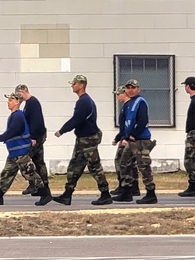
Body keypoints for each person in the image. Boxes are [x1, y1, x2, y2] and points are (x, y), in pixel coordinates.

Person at [51, 74, 111, 206]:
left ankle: (105, 194)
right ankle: (67, 194)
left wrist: (62, 130)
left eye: (74, 83)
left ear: (81, 85)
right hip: (82, 139)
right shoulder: (84, 101)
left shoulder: (84, 101)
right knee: (75, 166)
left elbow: (76, 119)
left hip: (88, 139)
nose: (72, 86)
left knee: (94, 167)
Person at [0, 92, 53, 206]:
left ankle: (45, 194)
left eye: (11, 100)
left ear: (18, 102)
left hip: (20, 152)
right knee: (7, 174)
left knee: (30, 174)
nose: (8, 102)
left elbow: (13, 131)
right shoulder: (15, 115)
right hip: (14, 152)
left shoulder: (17, 116)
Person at [120, 79, 159, 204]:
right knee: (124, 163)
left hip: (141, 140)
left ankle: (151, 193)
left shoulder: (140, 102)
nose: (130, 90)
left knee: (143, 166)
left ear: (138, 89)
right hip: (131, 140)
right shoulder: (129, 103)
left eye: (133, 87)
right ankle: (126, 191)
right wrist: (125, 137)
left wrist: (133, 135)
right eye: (128, 88)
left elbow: (142, 120)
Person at [16, 84, 50, 197]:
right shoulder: (29, 103)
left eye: (19, 94)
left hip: (36, 137)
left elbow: (36, 122)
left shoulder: (32, 103)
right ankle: (42, 187)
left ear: (24, 91)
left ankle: (34, 184)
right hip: (38, 135)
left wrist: (33, 137)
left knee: (25, 160)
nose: (19, 97)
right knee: (38, 161)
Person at [110, 87, 139, 202]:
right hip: (124, 136)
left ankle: (125, 186)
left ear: (124, 94)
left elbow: (129, 124)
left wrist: (124, 138)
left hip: (127, 138)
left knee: (121, 161)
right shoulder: (126, 106)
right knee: (130, 163)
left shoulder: (129, 106)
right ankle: (131, 186)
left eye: (118, 94)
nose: (117, 97)